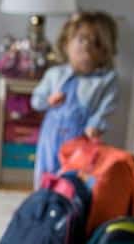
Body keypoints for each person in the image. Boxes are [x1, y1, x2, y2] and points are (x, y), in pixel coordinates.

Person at [31, 11, 121, 185]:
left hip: (80, 139)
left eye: (95, 43)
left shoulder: (105, 80)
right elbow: (36, 101)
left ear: (104, 52)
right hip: (51, 137)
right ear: (66, 44)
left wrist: (95, 124)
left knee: (74, 178)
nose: (86, 46)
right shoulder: (55, 74)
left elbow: (107, 107)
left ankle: (71, 205)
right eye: (81, 40)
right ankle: (43, 202)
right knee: (45, 173)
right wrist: (49, 100)